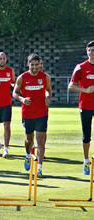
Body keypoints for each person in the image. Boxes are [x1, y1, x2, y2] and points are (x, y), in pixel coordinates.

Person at [13, 53, 52, 177]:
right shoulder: (22, 78)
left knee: (41, 140)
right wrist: (22, 99)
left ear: (39, 64)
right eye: (32, 65)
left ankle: (39, 168)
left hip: (41, 112)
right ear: (28, 64)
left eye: (37, 65)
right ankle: (28, 155)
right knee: (28, 140)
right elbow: (15, 93)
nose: (35, 68)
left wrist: (48, 97)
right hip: (28, 114)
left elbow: (48, 90)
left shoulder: (45, 77)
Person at [68, 41, 94, 175]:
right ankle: (86, 161)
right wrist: (86, 90)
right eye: (89, 50)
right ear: (86, 51)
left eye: (93, 50)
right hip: (86, 106)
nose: (91, 53)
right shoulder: (80, 67)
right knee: (86, 135)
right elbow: (71, 86)